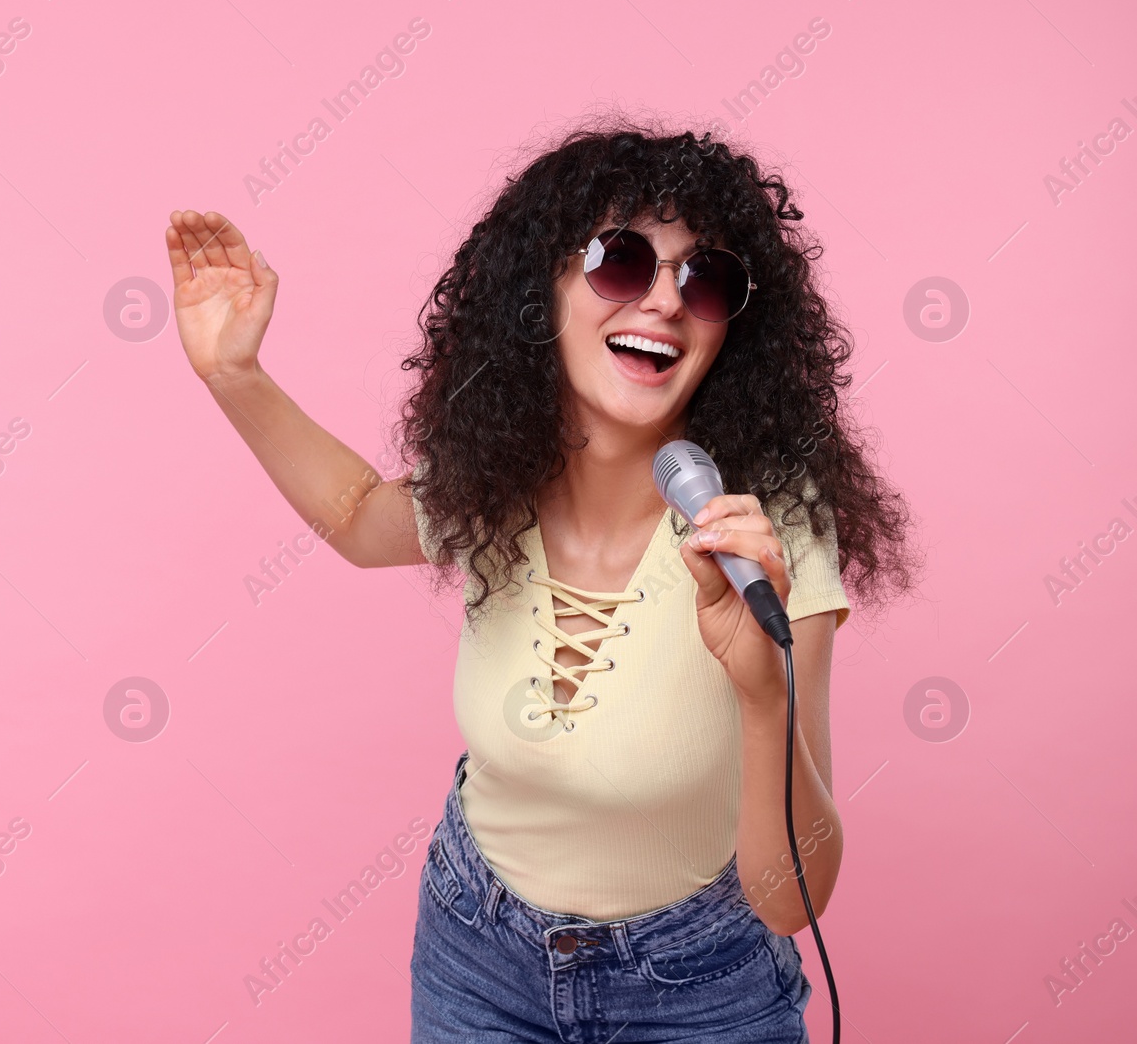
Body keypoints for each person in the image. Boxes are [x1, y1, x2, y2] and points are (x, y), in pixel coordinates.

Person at [166, 115, 917, 1042]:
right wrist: (234, 373)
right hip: (477, 949)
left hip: (697, 985)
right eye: (621, 262)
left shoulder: (764, 529)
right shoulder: (502, 480)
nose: (664, 303)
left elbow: (790, 901)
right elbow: (362, 519)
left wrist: (764, 695)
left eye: (706, 279)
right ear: (545, 292)